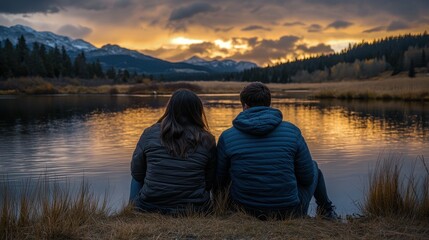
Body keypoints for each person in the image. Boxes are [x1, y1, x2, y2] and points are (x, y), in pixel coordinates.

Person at [216, 82, 339, 220]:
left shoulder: (227, 137)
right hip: (289, 212)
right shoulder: (292, 131)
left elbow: (220, 181)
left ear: (244, 105)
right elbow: (307, 178)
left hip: (244, 210)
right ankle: (327, 212)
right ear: (269, 103)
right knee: (314, 167)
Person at [130, 89, 216, 214]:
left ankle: (132, 209)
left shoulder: (149, 133)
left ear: (169, 108)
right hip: (195, 209)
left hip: (148, 206)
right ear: (197, 111)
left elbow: (137, 173)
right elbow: (209, 181)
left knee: (136, 176)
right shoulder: (208, 139)